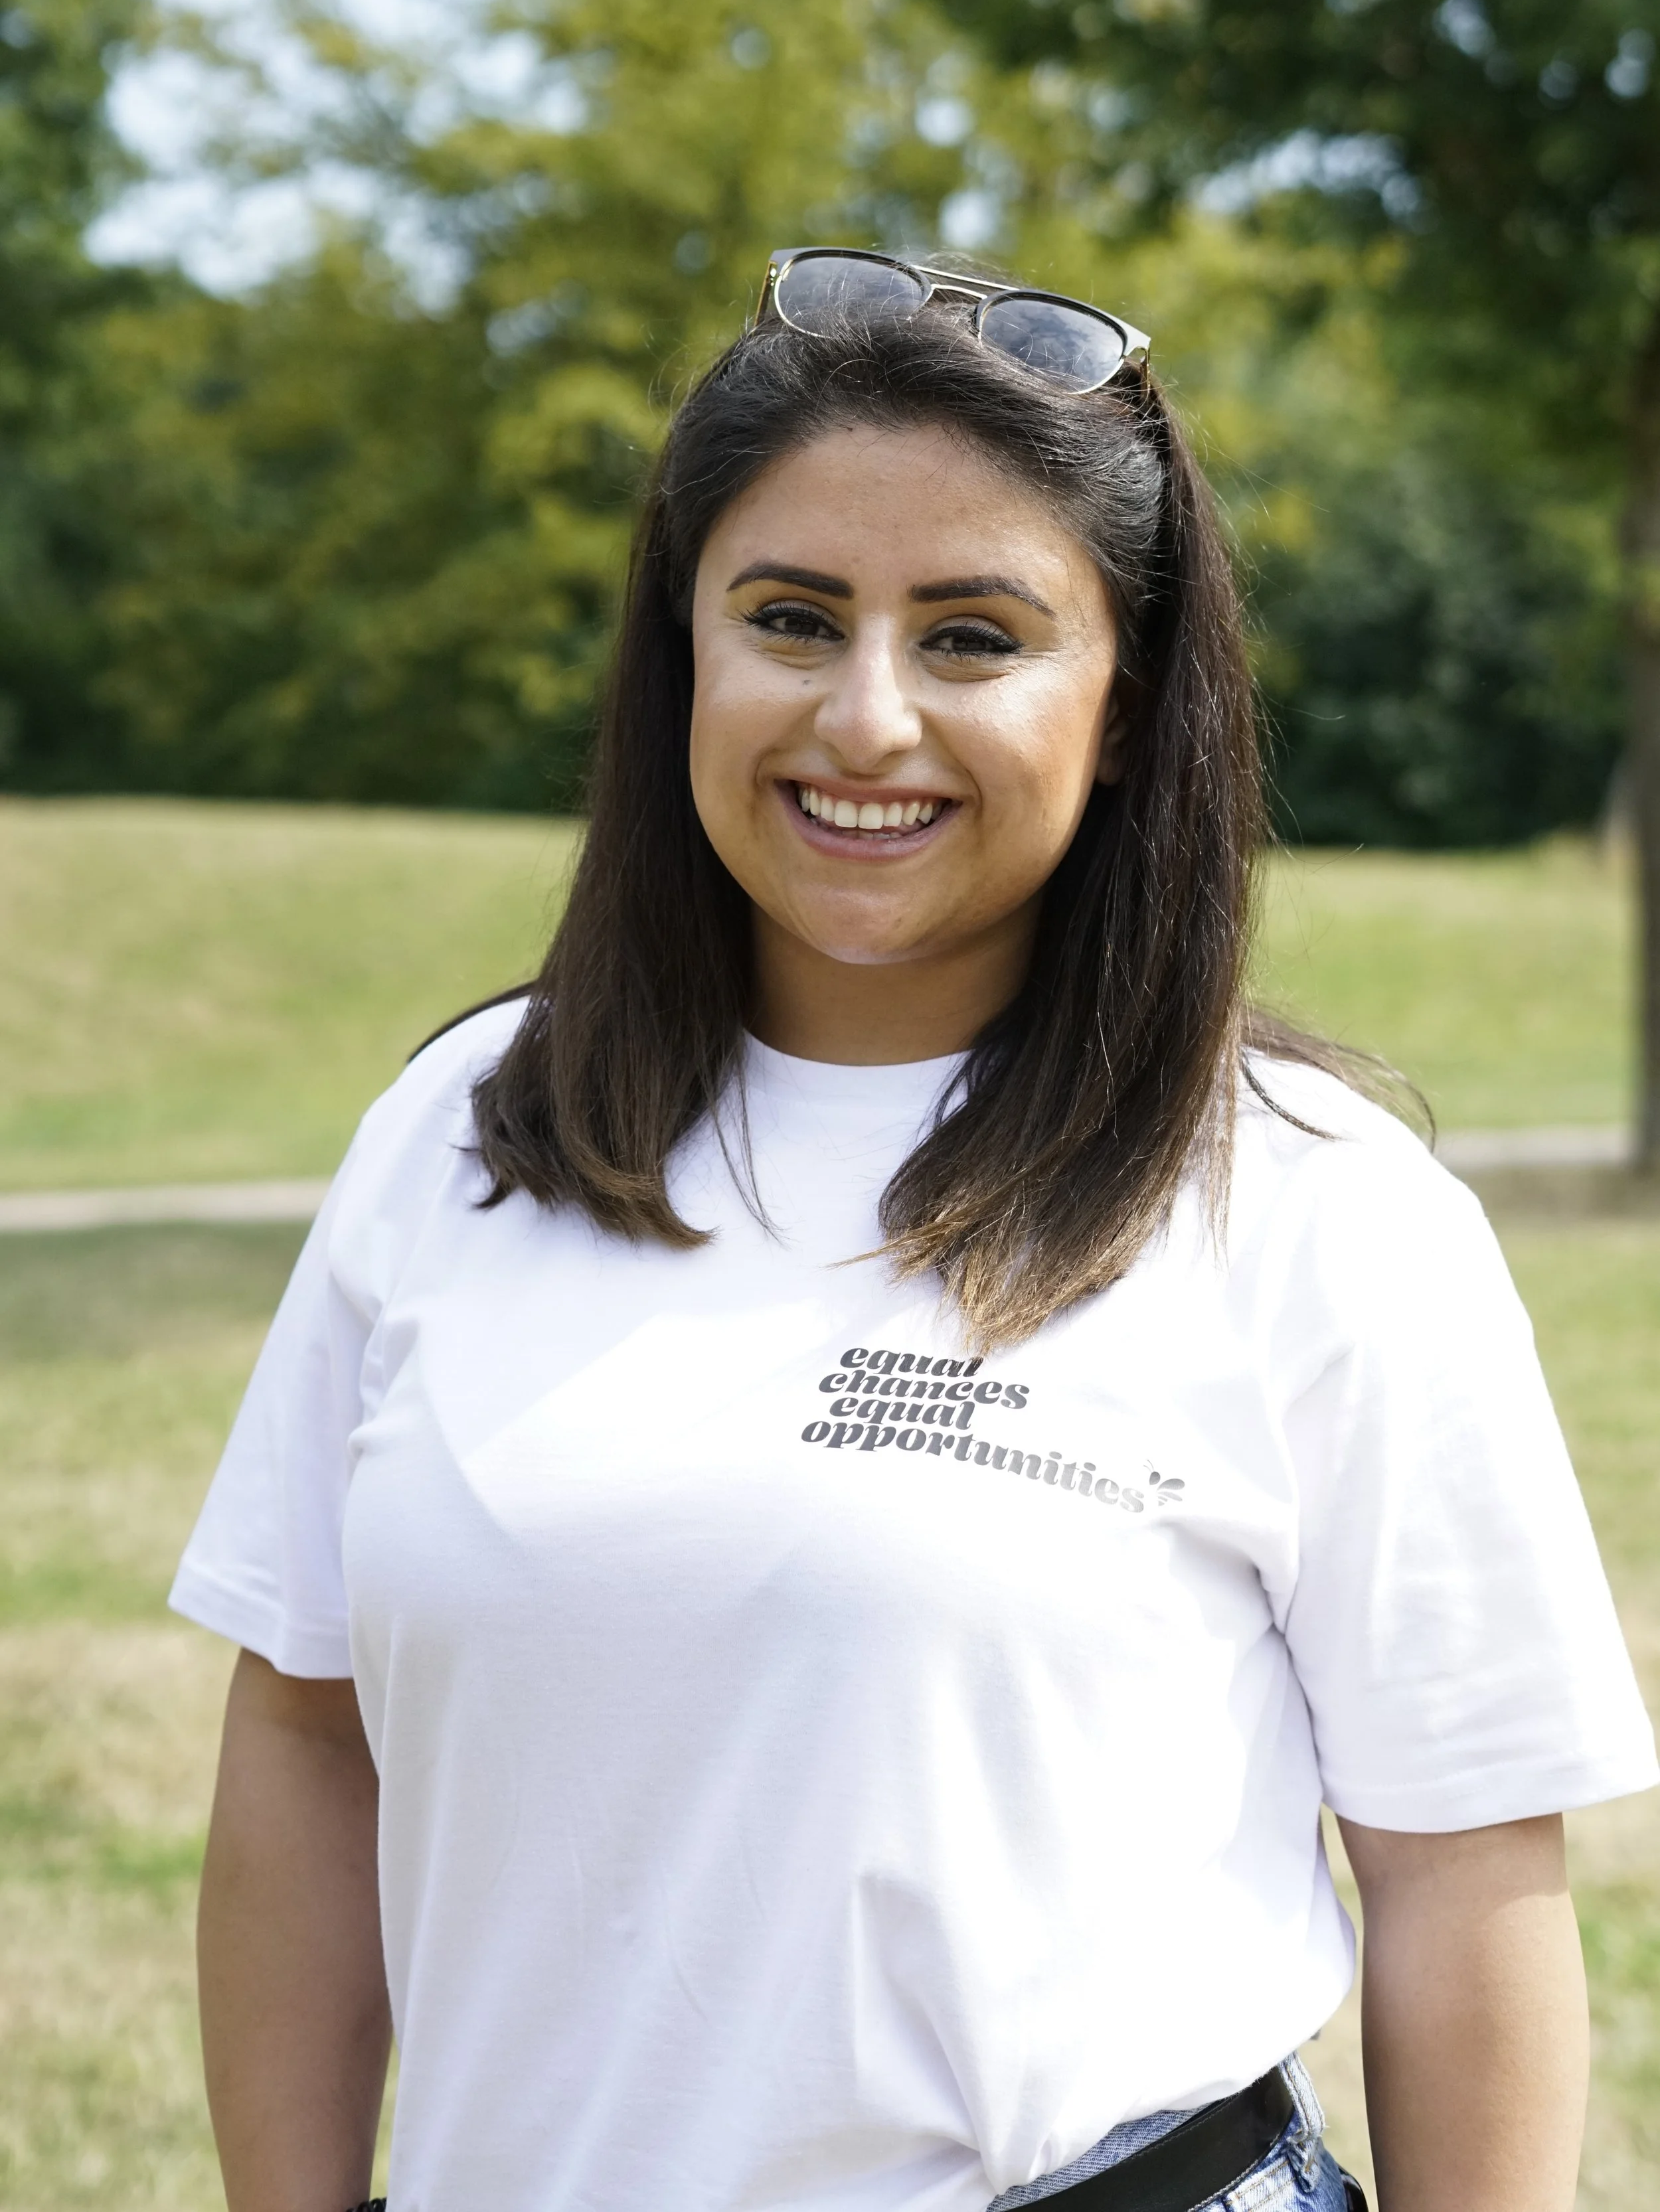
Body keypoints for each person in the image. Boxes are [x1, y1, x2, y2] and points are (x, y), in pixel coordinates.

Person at [173, 249, 1656, 2212]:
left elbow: (1461, 1879)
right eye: (789, 616)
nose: (865, 716)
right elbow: (301, 1740)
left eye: (974, 636)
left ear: (1124, 702)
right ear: (681, 650)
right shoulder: (457, 1135)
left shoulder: (1314, 1208)